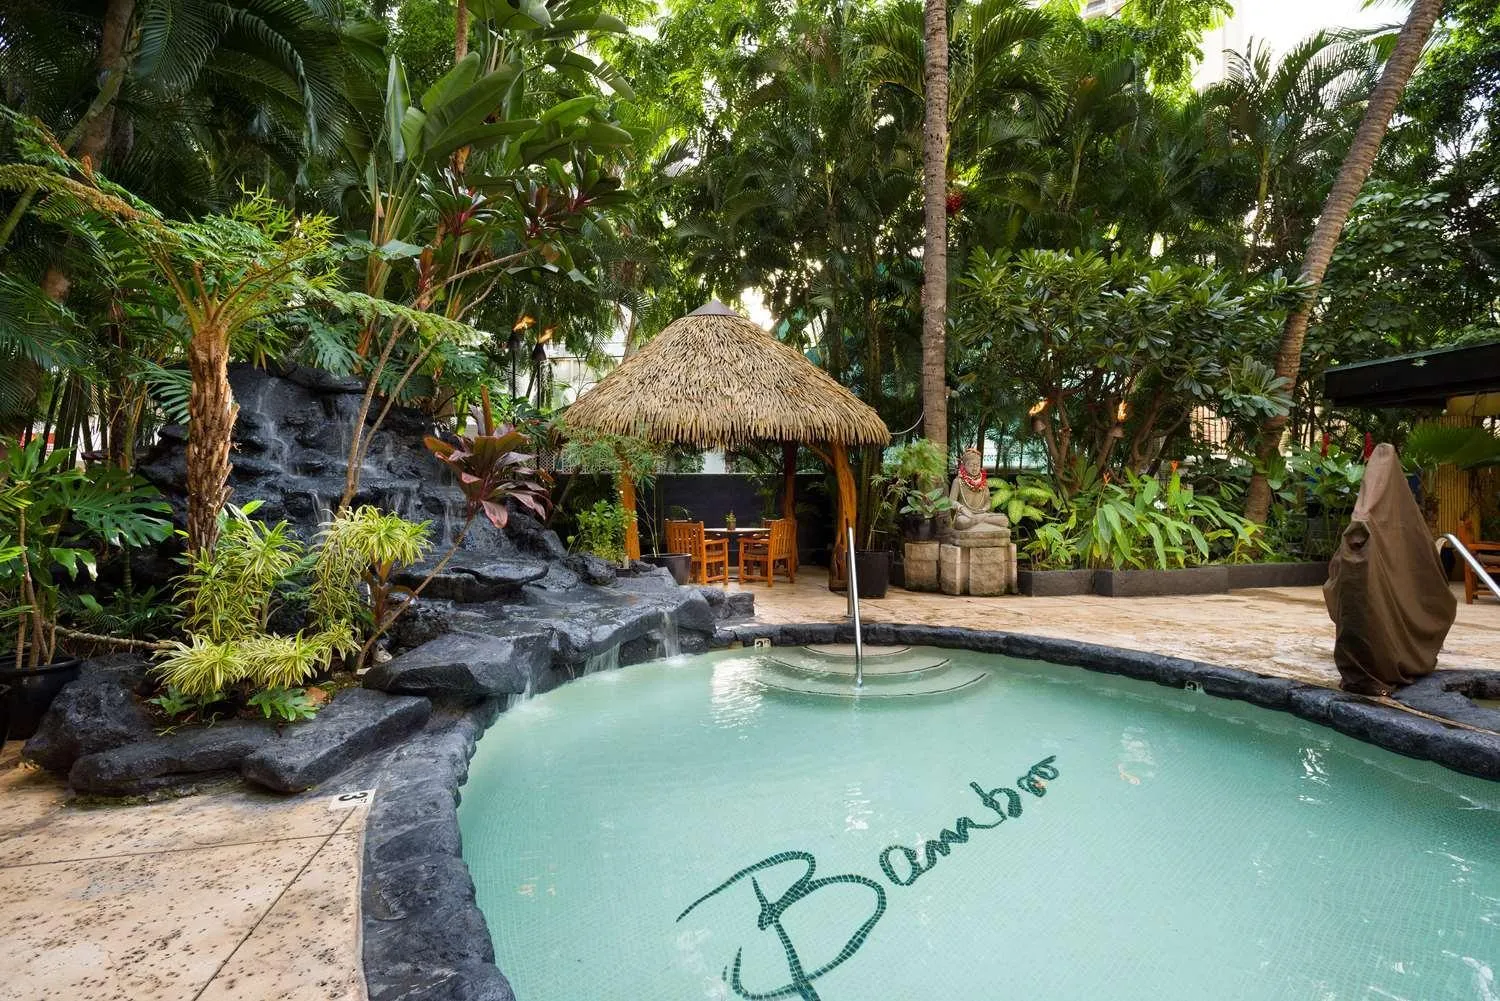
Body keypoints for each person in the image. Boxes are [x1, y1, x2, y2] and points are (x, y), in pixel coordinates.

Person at [947, 447, 1009, 534]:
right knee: (962, 522)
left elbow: (988, 501)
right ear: (964, 466)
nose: (974, 468)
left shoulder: (983, 482)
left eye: (977, 465)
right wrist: (962, 508)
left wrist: (984, 509)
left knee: (1004, 520)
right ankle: (980, 522)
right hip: (965, 515)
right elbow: (951, 501)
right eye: (971, 465)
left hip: (981, 514)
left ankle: (977, 521)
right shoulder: (958, 481)